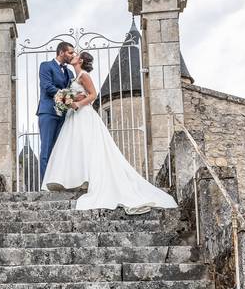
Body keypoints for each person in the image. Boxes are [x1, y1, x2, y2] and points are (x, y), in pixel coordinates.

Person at [42, 51, 178, 214]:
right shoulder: (73, 77)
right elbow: (79, 94)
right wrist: (69, 100)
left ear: (81, 60)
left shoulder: (84, 75)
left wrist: (78, 104)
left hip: (83, 114)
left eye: (76, 55)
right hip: (74, 115)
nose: (73, 56)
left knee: (88, 145)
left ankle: (91, 180)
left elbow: (93, 95)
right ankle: (78, 179)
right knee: (76, 145)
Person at [36, 41, 85, 181]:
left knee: (61, 149)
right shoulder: (46, 66)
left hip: (64, 114)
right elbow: (48, 87)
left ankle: (58, 181)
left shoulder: (69, 72)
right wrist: (71, 96)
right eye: (70, 52)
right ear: (61, 52)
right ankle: (45, 184)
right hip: (48, 112)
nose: (72, 55)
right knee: (46, 149)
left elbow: (73, 88)